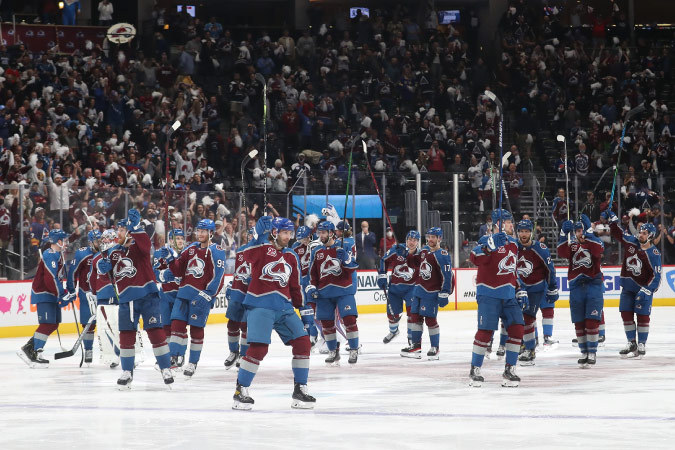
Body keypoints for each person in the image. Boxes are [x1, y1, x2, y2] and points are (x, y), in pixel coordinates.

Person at [232, 216, 315, 410]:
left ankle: (300, 390)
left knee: (303, 343)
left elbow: (295, 286)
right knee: (259, 349)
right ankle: (240, 390)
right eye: (285, 233)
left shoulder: (291, 255)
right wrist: (257, 236)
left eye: (290, 233)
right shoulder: (261, 249)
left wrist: (304, 311)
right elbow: (244, 255)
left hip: (284, 307)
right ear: (275, 233)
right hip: (260, 304)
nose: (288, 237)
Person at [99, 209, 173, 389]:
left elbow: (146, 246)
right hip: (126, 300)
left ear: (130, 232)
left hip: (148, 296)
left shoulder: (139, 245)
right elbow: (105, 275)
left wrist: (137, 226)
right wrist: (102, 268)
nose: (119, 233)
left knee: (155, 332)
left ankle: (165, 368)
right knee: (126, 336)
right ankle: (127, 371)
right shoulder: (113, 252)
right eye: (119, 230)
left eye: (123, 230)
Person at [157, 219, 226, 379]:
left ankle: (193, 362)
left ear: (210, 233)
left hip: (200, 297)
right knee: (176, 325)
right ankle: (174, 357)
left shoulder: (216, 250)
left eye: (204, 231)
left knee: (196, 330)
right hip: (183, 294)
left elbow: (219, 276)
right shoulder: (191, 248)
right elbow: (178, 270)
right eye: (199, 231)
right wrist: (170, 260)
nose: (200, 234)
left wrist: (209, 294)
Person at [469, 209, 527, 387]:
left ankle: (510, 369)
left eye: (511, 221)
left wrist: (519, 289)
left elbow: (512, 270)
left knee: (517, 328)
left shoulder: (515, 244)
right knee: (486, 332)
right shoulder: (486, 240)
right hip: (489, 294)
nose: (511, 224)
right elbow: (474, 257)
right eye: (508, 221)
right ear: (498, 224)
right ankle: (475, 370)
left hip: (508, 295)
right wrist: (489, 246)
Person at [604, 210, 662, 358]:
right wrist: (613, 221)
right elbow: (618, 234)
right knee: (626, 314)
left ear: (650, 235)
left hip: (643, 290)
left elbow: (657, 276)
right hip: (628, 289)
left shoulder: (654, 254)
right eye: (640, 232)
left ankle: (642, 343)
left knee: (643, 316)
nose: (640, 234)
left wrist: (647, 290)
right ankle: (631, 342)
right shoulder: (631, 242)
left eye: (644, 233)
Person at [307, 221, 359, 366]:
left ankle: (354, 348)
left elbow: (352, 268)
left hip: (344, 290)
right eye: (319, 233)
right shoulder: (316, 251)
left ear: (331, 233)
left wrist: (346, 260)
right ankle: (333, 351)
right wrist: (311, 286)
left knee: (349, 319)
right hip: (324, 292)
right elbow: (313, 274)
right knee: (326, 322)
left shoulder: (344, 246)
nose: (320, 235)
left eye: (323, 232)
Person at [17, 229, 71, 368]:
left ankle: (29, 348)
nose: (66, 242)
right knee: (47, 323)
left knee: (53, 324)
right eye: (64, 240)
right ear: (58, 241)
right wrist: (61, 293)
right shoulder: (50, 255)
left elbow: (56, 278)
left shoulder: (58, 255)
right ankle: (34, 351)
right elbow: (50, 278)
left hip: (51, 294)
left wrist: (64, 291)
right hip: (44, 294)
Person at [557, 215, 605, 368]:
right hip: (576, 286)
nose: (581, 233)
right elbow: (561, 253)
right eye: (578, 231)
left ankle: (592, 351)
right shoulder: (572, 247)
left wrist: (590, 232)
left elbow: (598, 250)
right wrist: (563, 235)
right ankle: (583, 351)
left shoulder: (594, 242)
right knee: (578, 321)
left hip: (593, 285)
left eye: (583, 230)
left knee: (591, 320)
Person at [401, 227, 453, 360]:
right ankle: (416, 345)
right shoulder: (424, 250)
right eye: (429, 236)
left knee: (430, 319)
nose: (430, 239)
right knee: (415, 317)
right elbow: (414, 265)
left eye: (433, 237)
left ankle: (435, 347)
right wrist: (409, 253)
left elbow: (446, 276)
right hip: (418, 289)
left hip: (432, 292)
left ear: (439, 238)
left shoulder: (443, 255)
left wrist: (444, 293)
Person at [515, 220, 558, 365]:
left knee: (528, 318)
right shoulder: (514, 247)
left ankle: (530, 349)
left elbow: (550, 269)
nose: (523, 234)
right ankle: (524, 343)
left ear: (531, 233)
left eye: (526, 231)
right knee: (516, 318)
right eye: (521, 231)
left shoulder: (540, 248)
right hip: (518, 289)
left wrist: (552, 287)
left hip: (535, 289)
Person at [64, 230, 101, 365]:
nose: (101, 243)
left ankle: (109, 351)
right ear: (91, 242)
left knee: (107, 323)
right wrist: (72, 290)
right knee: (87, 324)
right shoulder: (82, 253)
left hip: (103, 294)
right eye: (98, 241)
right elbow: (73, 272)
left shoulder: (106, 252)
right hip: (86, 294)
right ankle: (88, 349)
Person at [378, 230, 420, 345]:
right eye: (410, 239)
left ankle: (411, 338)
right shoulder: (396, 249)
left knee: (412, 313)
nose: (412, 242)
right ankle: (394, 331)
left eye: (415, 240)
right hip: (395, 288)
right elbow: (384, 260)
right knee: (392, 315)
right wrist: (382, 275)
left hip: (411, 288)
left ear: (418, 242)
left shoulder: (421, 254)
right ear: (406, 240)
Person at [89, 229, 121, 368]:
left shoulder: (118, 255)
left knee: (117, 325)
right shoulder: (97, 257)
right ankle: (112, 354)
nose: (105, 241)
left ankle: (123, 353)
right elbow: (91, 278)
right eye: (104, 239)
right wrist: (94, 293)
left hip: (118, 294)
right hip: (106, 295)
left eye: (108, 239)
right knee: (108, 326)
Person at [224, 227, 255, 369]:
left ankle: (243, 354)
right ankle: (233, 352)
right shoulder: (241, 250)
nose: (250, 237)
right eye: (249, 235)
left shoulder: (262, 251)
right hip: (238, 291)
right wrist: (232, 284)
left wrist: (254, 280)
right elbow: (238, 271)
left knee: (245, 325)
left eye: (253, 235)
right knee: (232, 323)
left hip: (252, 293)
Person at [152, 229, 186, 338]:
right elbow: (154, 272)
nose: (180, 241)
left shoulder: (187, 254)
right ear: (171, 240)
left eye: (182, 238)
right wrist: (163, 275)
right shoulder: (161, 253)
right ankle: (169, 353)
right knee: (166, 326)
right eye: (177, 238)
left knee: (179, 326)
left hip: (181, 295)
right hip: (166, 295)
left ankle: (178, 352)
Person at [291, 225, 318, 346]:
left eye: (304, 239)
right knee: (304, 308)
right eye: (300, 239)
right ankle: (309, 335)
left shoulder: (316, 243)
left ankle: (317, 335)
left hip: (313, 280)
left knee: (314, 309)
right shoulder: (295, 247)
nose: (302, 242)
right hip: (300, 281)